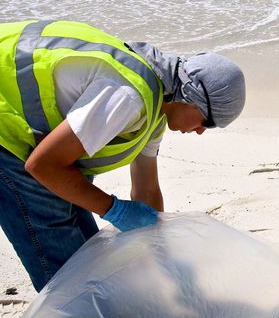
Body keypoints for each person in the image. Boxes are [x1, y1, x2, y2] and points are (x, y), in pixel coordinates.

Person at [0, 19, 246, 291]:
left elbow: (146, 188)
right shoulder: (128, 97)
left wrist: (162, 256)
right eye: (208, 122)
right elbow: (42, 166)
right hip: (9, 135)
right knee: (70, 280)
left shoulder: (157, 103)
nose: (201, 131)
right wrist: (114, 209)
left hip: (37, 139)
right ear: (192, 96)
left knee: (86, 259)